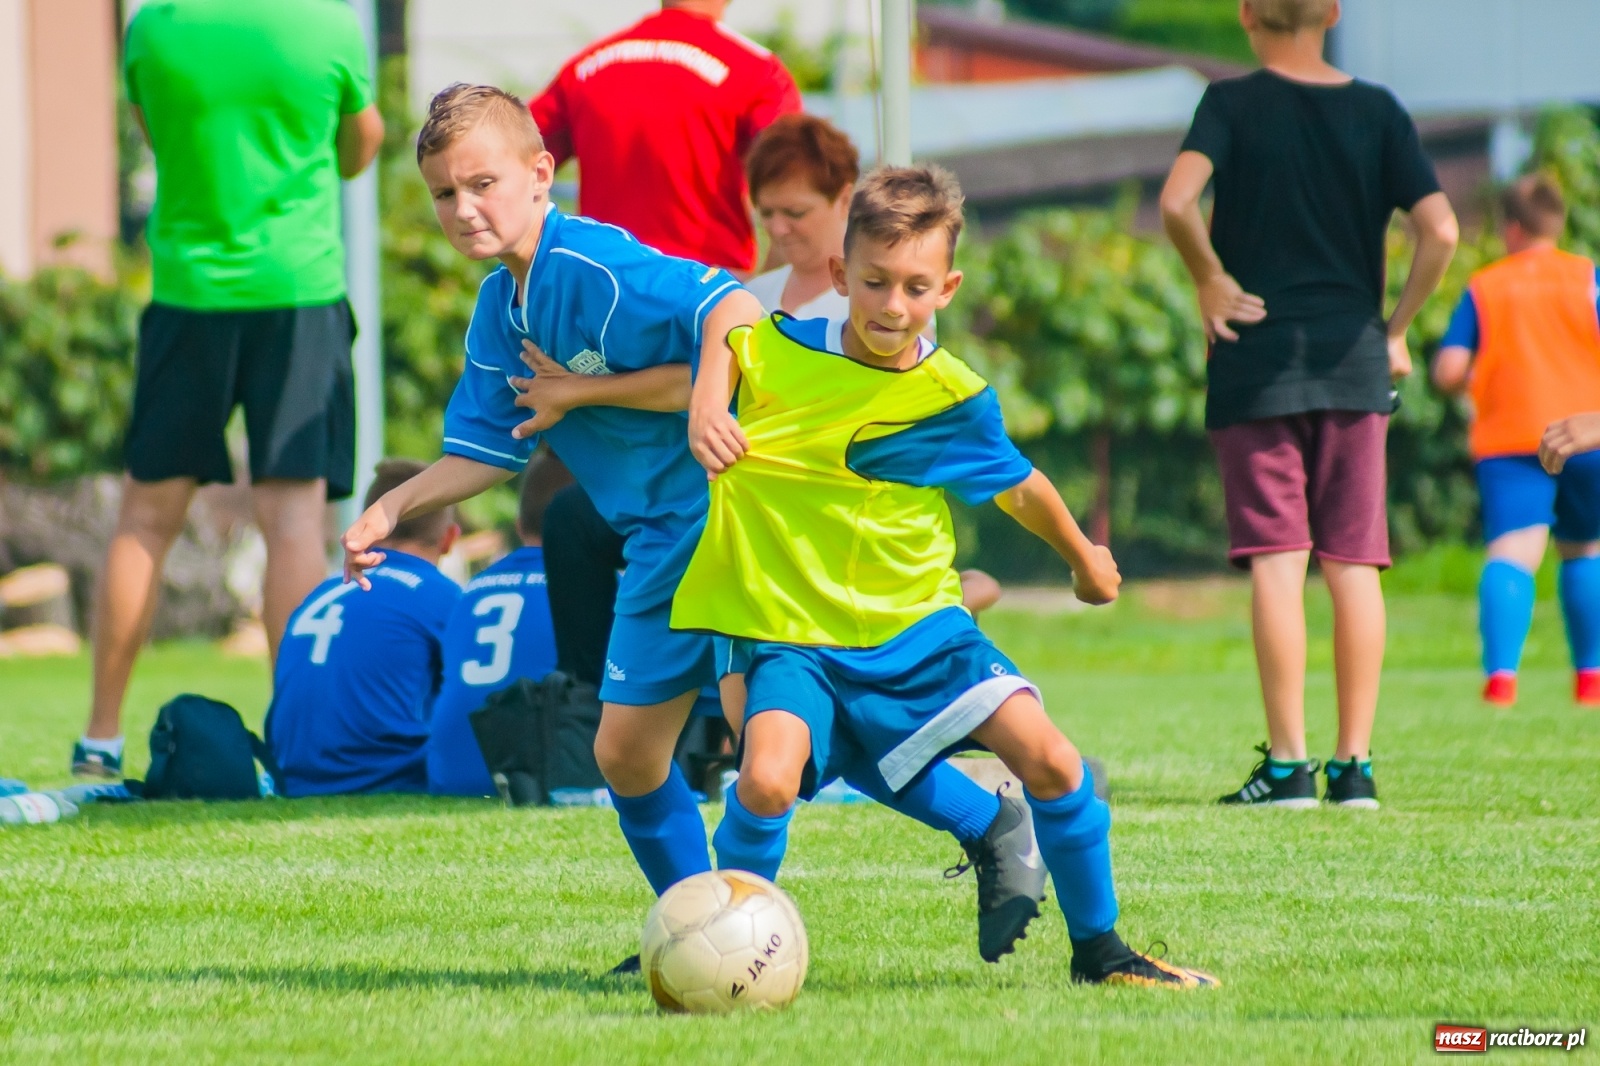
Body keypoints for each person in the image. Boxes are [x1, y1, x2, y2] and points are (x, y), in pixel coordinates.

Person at [676, 165, 1216, 988]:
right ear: (838, 275)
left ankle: (1102, 953)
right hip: (791, 632)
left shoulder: (951, 397)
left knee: (1055, 763)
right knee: (765, 777)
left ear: (949, 287)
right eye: (874, 281)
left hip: (919, 627)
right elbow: (720, 314)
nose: (893, 304)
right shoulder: (778, 352)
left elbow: (1021, 487)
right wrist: (707, 403)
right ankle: (717, 951)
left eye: (916, 286)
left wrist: (1084, 559)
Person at [343, 84, 760, 909]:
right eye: (443, 194)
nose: (462, 208)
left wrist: (706, 397)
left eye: (481, 184)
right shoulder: (500, 309)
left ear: (541, 174)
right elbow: (486, 448)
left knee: (777, 751)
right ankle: (697, 920)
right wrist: (391, 509)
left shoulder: (591, 264)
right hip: (654, 542)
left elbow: (733, 305)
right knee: (625, 756)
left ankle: (976, 823)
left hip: (733, 520)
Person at [73, 0, 385, 779]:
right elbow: (357, 151)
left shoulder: (152, 27)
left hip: (187, 298)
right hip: (299, 293)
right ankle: (295, 744)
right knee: (292, 523)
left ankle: (100, 736)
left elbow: (157, 137)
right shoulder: (328, 26)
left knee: (144, 519)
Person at [1159, 0, 1458, 808]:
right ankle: (1353, 767)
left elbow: (1177, 203)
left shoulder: (1228, 103)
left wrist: (1210, 279)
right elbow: (1443, 232)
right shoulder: (1379, 110)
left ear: (1247, 12)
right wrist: (1396, 326)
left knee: (1278, 562)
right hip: (1353, 359)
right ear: (1330, 11)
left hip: (1255, 362)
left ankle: (1287, 767)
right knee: (1355, 562)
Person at [1433, 175, 1600, 707]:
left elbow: (1448, 368)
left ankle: (1501, 679)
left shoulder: (1487, 286)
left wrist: (1471, 387)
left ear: (1510, 228)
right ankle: (1590, 679)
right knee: (1585, 550)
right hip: (1587, 434)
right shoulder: (1587, 278)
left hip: (1512, 436)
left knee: (1512, 552)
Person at [529, 0, 801, 275]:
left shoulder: (584, 66)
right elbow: (795, 175)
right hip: (706, 288)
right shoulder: (756, 69)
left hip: (603, 281)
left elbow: (513, 157)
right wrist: (770, 288)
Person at [265, 460, 461, 797]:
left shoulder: (319, 595)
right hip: (386, 780)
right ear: (449, 538)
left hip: (291, 780)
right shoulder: (441, 596)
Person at [427, 453, 568, 796]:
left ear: (519, 527)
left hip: (451, 775)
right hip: (543, 778)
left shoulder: (470, 591)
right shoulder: (604, 585)